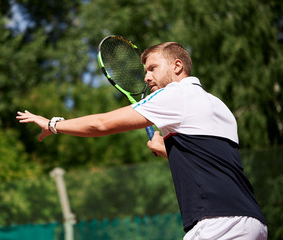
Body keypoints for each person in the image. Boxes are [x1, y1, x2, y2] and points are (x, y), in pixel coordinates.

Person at [16, 42, 268, 239]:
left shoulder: (175, 94)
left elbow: (101, 124)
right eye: (145, 71)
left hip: (216, 223)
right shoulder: (218, 105)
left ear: (177, 66)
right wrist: (169, 150)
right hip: (253, 222)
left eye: (152, 68)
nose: (146, 77)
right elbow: (211, 162)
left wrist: (52, 124)